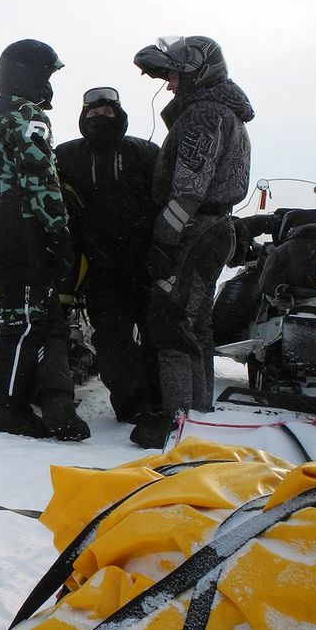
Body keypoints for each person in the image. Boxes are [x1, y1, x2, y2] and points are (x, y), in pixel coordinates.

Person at [130, 36, 254, 448]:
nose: (170, 85)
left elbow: (188, 189)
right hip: (215, 228)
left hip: (194, 230)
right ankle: (199, 417)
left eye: (177, 76)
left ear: (199, 74)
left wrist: (164, 241)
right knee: (196, 324)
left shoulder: (203, 114)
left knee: (171, 322)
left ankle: (177, 421)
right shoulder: (224, 111)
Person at [0, 39, 90, 441]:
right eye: (47, 75)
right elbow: (40, 179)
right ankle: (7, 408)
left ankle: (37, 402)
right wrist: (59, 231)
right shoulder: (27, 113)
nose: (49, 85)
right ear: (30, 74)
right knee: (22, 321)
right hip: (23, 227)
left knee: (29, 315)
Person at [54, 87, 161, 424]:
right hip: (100, 267)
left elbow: (167, 196)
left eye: (107, 113)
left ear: (120, 115)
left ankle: (163, 403)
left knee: (157, 335)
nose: (100, 119)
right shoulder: (66, 155)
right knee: (113, 341)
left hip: (148, 262)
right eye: (93, 114)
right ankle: (134, 408)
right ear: (83, 118)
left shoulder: (144, 152)